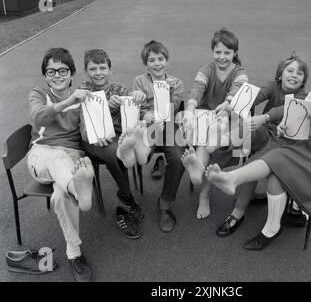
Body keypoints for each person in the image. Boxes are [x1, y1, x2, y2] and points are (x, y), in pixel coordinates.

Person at [205, 48, 311, 250]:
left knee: (276, 161)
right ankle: (266, 220)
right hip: (308, 148)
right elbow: (297, 114)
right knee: (276, 162)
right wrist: (286, 125)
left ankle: (239, 185)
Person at [215, 53, 309, 237]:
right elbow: (257, 95)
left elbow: (282, 110)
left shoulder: (302, 96)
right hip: (266, 131)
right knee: (243, 128)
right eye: (290, 70)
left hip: (285, 142)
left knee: (254, 161)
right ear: (280, 74)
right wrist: (230, 104)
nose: (294, 75)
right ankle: (220, 143)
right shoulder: (273, 85)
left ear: (304, 80)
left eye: (299, 73)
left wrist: (265, 117)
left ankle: (237, 211)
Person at [27, 48, 94, 281]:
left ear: (71, 73)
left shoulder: (82, 98)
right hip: (42, 155)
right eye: (51, 71)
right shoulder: (38, 93)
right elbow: (38, 118)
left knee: (59, 196)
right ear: (45, 76)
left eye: (62, 70)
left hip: (72, 155)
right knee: (58, 159)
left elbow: (86, 132)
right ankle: (79, 189)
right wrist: (69, 100)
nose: (57, 75)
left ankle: (73, 252)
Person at [117, 40, 185, 233]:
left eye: (160, 59)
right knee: (144, 139)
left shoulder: (176, 82)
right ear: (146, 64)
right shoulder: (139, 81)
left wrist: (169, 93)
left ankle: (164, 205)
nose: (157, 63)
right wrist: (143, 112)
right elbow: (136, 107)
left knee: (178, 159)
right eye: (151, 60)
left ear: (167, 61)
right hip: (147, 126)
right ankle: (141, 151)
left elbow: (174, 109)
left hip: (170, 126)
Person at [181, 28, 248, 220]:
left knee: (217, 145)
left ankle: (204, 193)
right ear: (212, 52)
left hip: (228, 117)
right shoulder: (207, 68)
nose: (222, 56)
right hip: (207, 118)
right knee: (204, 141)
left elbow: (238, 89)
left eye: (227, 52)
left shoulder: (240, 72)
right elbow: (197, 88)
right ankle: (197, 170)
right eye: (218, 52)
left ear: (235, 53)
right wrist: (190, 110)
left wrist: (226, 105)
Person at [79, 49, 146, 239]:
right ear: (86, 71)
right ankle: (127, 197)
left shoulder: (118, 88)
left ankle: (125, 194)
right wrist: (105, 108)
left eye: (102, 67)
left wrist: (136, 96)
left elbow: (133, 108)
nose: (98, 72)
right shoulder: (84, 92)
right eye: (93, 69)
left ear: (110, 69)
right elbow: (83, 126)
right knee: (116, 152)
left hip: (117, 138)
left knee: (118, 150)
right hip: (93, 140)